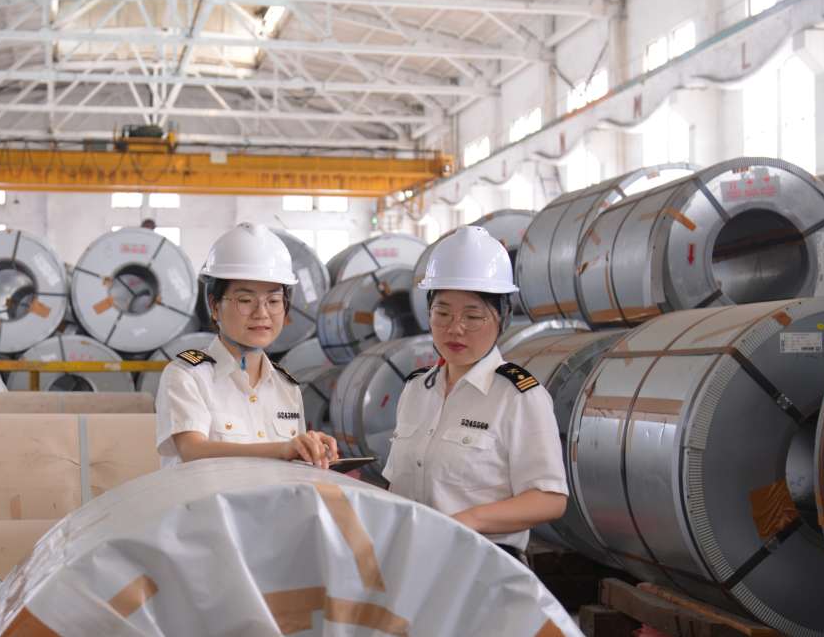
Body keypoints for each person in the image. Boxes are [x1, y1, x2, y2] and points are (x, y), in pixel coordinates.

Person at [382, 226, 567, 558]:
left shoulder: (519, 397)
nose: (455, 328)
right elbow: (397, 483)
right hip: (415, 557)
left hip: (484, 562)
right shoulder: (416, 390)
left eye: (473, 316)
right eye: (442, 313)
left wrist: (469, 520)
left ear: (502, 317)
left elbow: (549, 498)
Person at [155, 223, 339, 469]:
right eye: (245, 300)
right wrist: (282, 449)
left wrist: (312, 451)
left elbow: (293, 465)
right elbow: (193, 450)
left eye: (273, 301)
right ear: (214, 306)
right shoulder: (187, 376)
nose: (261, 313)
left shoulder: (286, 388)